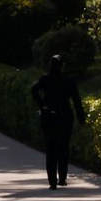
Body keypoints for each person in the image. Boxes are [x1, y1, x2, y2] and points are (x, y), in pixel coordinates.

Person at [31, 54, 86, 190]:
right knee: (63, 148)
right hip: (65, 117)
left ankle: (52, 181)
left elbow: (33, 90)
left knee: (51, 149)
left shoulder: (45, 79)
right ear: (62, 66)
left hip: (49, 116)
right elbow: (76, 101)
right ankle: (62, 178)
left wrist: (42, 104)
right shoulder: (68, 81)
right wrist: (81, 118)